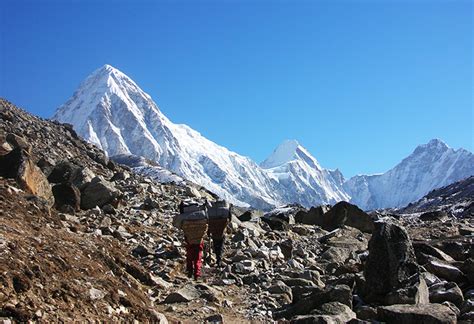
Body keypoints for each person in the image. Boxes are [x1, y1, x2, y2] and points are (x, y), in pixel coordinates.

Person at [174, 200, 209, 280]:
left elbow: (177, 224)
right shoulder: (202, 214)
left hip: (189, 237)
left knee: (189, 254)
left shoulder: (185, 215)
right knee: (198, 257)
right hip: (199, 239)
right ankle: (197, 274)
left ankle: (189, 271)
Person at [207, 200, 231, 267]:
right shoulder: (226, 210)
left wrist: (209, 231)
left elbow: (208, 221)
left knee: (216, 243)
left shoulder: (210, 210)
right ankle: (219, 260)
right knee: (221, 244)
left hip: (214, 229)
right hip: (222, 228)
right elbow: (230, 218)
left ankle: (218, 258)